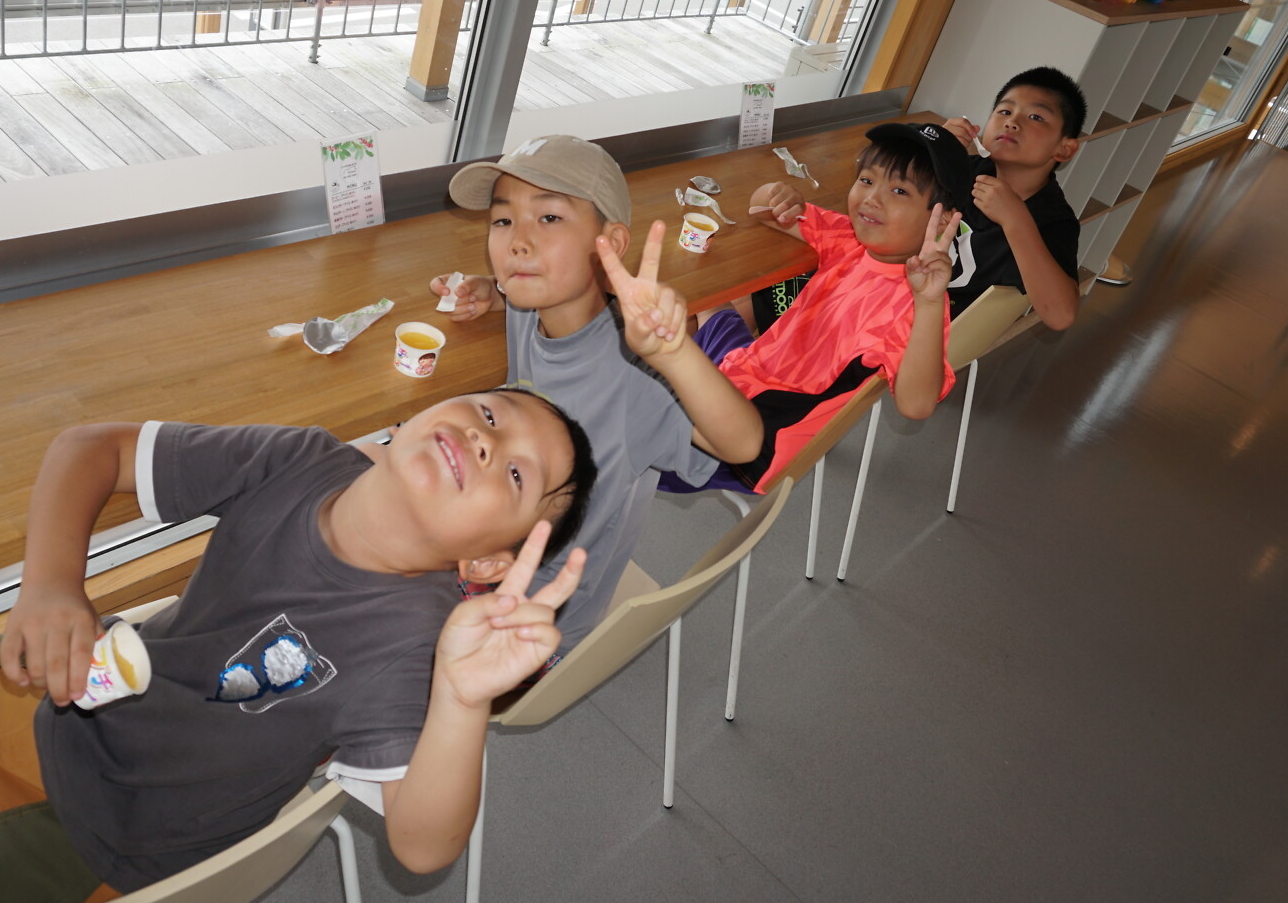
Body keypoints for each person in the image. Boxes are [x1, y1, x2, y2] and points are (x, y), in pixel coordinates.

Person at [0, 388, 596, 903]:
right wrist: (53, 586)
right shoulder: (304, 459)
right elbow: (89, 447)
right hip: (71, 690)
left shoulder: (413, 649)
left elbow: (423, 848)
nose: (487, 441)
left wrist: (459, 698)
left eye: (517, 476)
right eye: (491, 413)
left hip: (108, 827)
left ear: (485, 566)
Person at [430, 134, 762, 653]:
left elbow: (743, 445)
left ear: (612, 243)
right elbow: (520, 286)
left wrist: (676, 355)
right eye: (502, 220)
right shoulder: (532, 304)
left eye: (549, 218)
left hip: (531, 616)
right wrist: (493, 289)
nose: (517, 242)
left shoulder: (636, 376)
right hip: (486, 543)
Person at [662, 122, 963, 495]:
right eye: (867, 180)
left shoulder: (915, 302)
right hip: (743, 370)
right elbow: (760, 210)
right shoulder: (851, 239)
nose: (872, 198)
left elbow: (916, 406)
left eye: (899, 190)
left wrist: (930, 302)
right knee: (702, 297)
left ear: (942, 220)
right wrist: (778, 194)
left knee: (619, 403)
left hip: (746, 440)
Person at [940, 66, 1086, 329]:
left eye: (1035, 117)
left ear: (1064, 149)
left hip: (933, 331)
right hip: (892, 292)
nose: (1011, 122)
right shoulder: (964, 169)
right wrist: (934, 150)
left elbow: (1061, 317)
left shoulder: (1052, 219)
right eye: (1005, 111)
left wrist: (1015, 219)